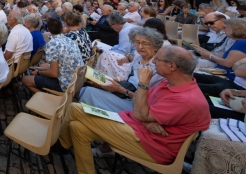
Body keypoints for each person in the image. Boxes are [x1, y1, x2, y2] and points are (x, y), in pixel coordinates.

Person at [59, 46, 211, 174]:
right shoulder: (169, 83)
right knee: (77, 127)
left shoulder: (186, 99)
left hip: (152, 146)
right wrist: (146, 120)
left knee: (75, 108)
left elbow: (140, 111)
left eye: (157, 59)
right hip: (139, 129)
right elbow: (139, 103)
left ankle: (60, 145)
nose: (154, 62)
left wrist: (143, 84)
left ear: (172, 66)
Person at [80, 27, 165, 119]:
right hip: (126, 92)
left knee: (88, 92)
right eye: (137, 42)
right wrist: (108, 79)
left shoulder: (158, 67)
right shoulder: (138, 58)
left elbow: (148, 98)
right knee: (86, 89)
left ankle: (91, 121)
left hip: (136, 103)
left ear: (155, 46)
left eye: (145, 43)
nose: (140, 47)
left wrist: (121, 89)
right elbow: (127, 79)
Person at [22, 18, 84, 93]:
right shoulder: (69, 40)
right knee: (43, 66)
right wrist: (41, 69)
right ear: (62, 29)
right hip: (76, 81)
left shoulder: (52, 44)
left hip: (65, 85)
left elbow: (53, 73)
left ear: (48, 29)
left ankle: (45, 98)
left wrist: (38, 73)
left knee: (25, 80)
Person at [193, 19, 246, 94]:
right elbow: (222, 57)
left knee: (192, 82)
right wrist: (204, 53)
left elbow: (228, 63)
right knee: (189, 75)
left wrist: (209, 55)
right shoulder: (237, 41)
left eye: (225, 27)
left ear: (234, 28)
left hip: (225, 76)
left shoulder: (242, 42)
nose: (223, 30)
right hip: (220, 73)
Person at [94, 13, 135, 80]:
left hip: (133, 57)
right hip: (132, 55)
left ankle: (102, 79)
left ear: (116, 24)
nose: (111, 28)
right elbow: (121, 46)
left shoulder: (125, 31)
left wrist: (104, 50)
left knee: (105, 55)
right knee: (107, 52)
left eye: (111, 26)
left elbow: (123, 51)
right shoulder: (129, 27)